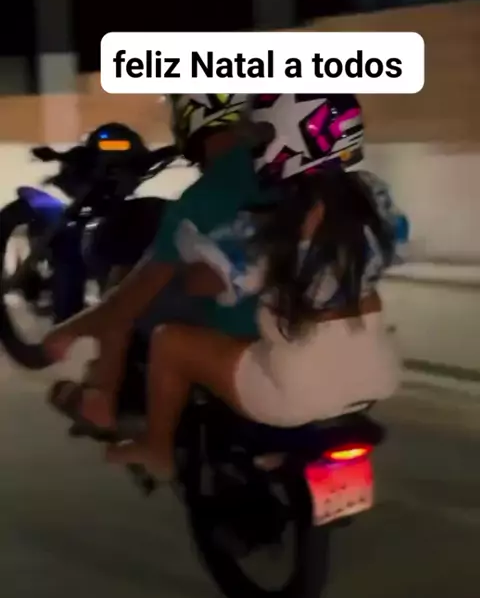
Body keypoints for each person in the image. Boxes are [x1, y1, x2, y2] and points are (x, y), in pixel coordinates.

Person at [105, 93, 403, 480]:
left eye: (265, 134)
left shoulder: (278, 218)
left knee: (169, 341)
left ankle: (156, 449)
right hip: (378, 370)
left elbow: (216, 279)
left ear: (289, 138)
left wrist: (186, 274)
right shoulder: (374, 199)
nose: (257, 145)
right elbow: (393, 245)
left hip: (299, 388)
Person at [45, 93, 276, 437]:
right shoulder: (285, 174)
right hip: (291, 317)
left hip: (240, 328)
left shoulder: (195, 203)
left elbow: (130, 300)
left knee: (126, 289)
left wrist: (67, 331)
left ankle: (103, 398)